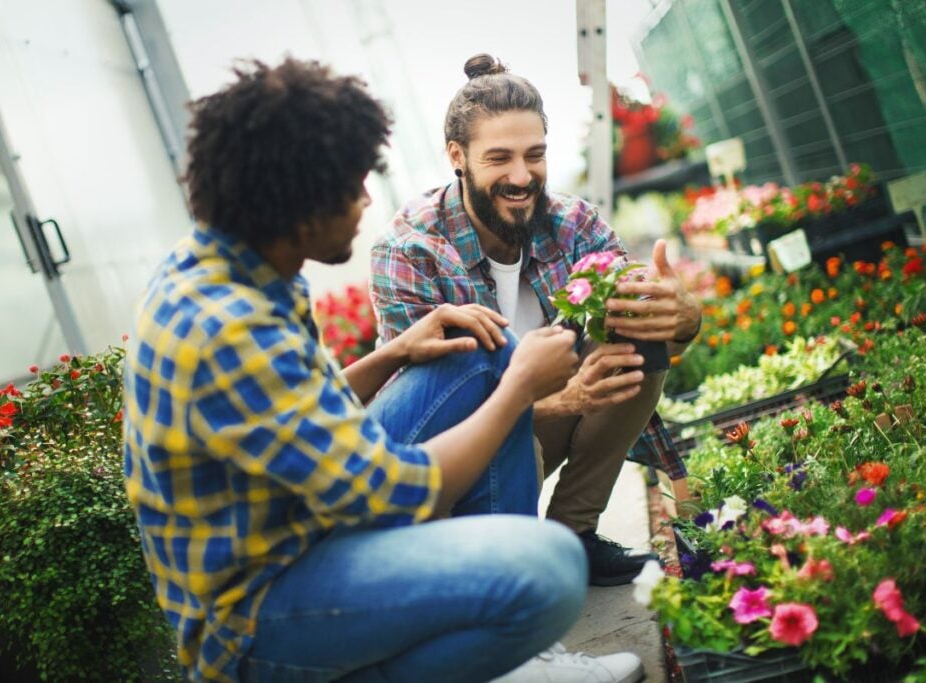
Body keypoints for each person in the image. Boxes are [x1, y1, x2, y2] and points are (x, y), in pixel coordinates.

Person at [124, 57, 646, 683]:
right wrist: (518, 389)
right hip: (255, 619)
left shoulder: (225, 271)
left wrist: (395, 352)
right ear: (302, 199)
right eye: (354, 184)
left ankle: (524, 661)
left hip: (298, 537)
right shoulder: (230, 329)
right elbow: (392, 495)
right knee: (550, 569)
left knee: (474, 342)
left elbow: (301, 412)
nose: (367, 199)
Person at [370, 53, 701, 587]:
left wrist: (683, 315)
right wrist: (565, 399)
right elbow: (430, 418)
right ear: (457, 156)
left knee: (639, 337)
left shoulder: (572, 223)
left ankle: (574, 536)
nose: (522, 177)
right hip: (470, 449)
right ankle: (508, 566)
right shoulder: (410, 252)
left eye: (535, 155)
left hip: (546, 414)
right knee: (503, 421)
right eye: (499, 158)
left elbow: (649, 311)